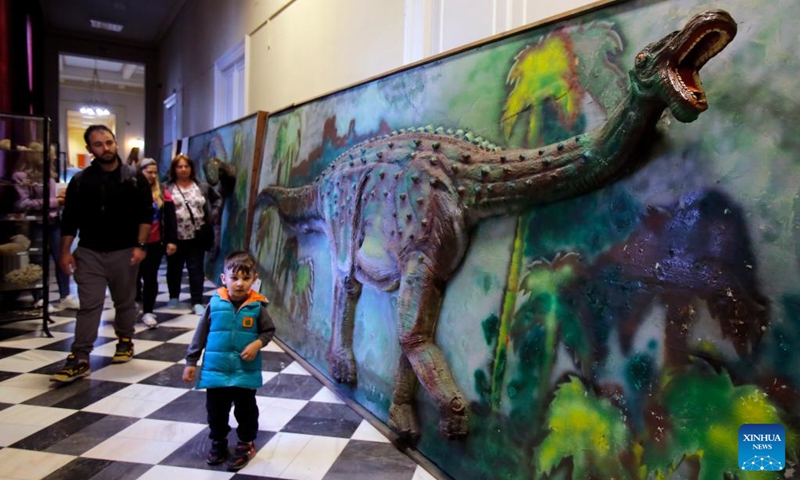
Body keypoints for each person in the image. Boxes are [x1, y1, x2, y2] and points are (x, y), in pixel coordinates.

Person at [52, 125, 154, 383]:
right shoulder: (81, 181)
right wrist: (65, 252)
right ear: (90, 149)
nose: (105, 148)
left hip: (124, 250)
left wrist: (140, 247)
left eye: (109, 142)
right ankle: (80, 356)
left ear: (115, 142)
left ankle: (125, 340)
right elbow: (70, 220)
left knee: (124, 300)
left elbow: (145, 215)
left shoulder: (133, 178)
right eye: (98, 144)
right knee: (89, 305)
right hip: (89, 251)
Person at [182, 250, 275, 471]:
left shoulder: (257, 307)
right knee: (216, 411)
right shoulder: (214, 304)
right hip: (216, 371)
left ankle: (246, 442)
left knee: (246, 410)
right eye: (234, 278)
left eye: (245, 278)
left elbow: (268, 331)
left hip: (244, 371)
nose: (240, 284)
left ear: (254, 279)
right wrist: (190, 362)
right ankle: (218, 441)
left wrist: (257, 344)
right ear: (224, 279)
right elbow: (200, 334)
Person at [11, 143, 80, 311]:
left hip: (55, 221)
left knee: (62, 257)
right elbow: (23, 203)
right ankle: (39, 298)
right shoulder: (20, 176)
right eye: (51, 154)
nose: (55, 158)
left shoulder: (49, 176)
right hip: (35, 223)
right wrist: (56, 201)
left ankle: (65, 296)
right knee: (38, 260)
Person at [163, 154, 221, 315]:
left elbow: (217, 199)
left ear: (191, 168)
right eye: (179, 166)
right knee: (174, 268)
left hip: (197, 235)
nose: (183, 170)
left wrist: (213, 214)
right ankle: (173, 296)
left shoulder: (201, 186)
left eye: (186, 166)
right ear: (174, 169)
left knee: (196, 269)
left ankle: (197, 300)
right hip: (175, 236)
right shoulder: (167, 187)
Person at [136, 158, 178, 328]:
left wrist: (171, 240)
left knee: (150, 277)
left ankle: (148, 311)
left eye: (155, 172)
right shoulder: (131, 189)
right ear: (141, 172)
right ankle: (133, 305)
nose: (153, 175)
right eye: (149, 172)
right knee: (132, 278)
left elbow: (170, 219)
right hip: (132, 243)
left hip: (154, 243)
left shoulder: (162, 192)